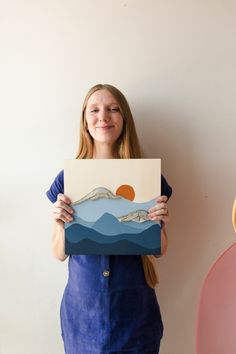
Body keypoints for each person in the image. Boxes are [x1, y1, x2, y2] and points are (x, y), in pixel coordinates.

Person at [46, 84, 172, 354]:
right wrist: (59, 226)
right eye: (94, 109)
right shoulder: (66, 180)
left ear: (124, 119)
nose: (103, 116)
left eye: (113, 109)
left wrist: (159, 222)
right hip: (82, 311)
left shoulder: (149, 178)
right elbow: (58, 254)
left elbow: (160, 249)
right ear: (85, 121)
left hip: (135, 310)